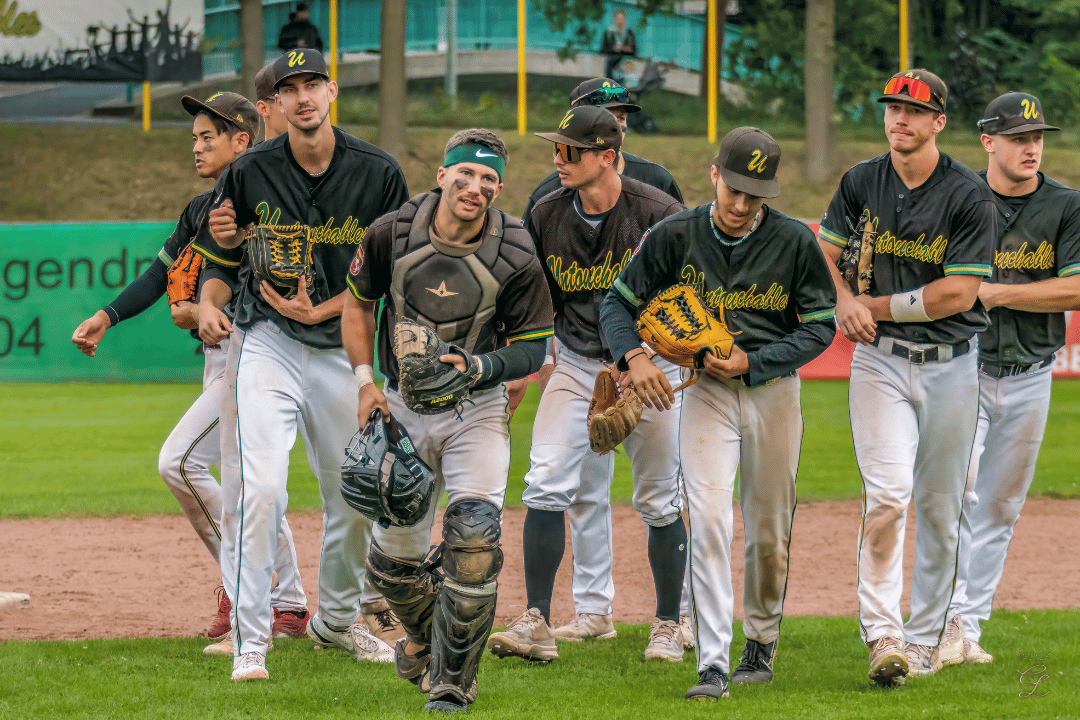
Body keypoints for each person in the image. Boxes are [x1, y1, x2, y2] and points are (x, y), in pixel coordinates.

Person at [601, 126, 837, 700]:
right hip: (705, 393)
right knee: (707, 518)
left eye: (754, 195)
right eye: (733, 189)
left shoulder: (793, 241)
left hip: (772, 391)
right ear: (714, 175)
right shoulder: (675, 234)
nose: (740, 204)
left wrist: (753, 361)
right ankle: (711, 663)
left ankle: (761, 639)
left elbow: (820, 327)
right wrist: (635, 357)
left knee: (769, 531)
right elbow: (617, 303)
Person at [70, 91, 311, 646]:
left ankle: (246, 588)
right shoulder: (201, 210)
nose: (197, 147)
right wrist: (107, 316)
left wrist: (207, 308)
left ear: (241, 141)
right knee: (245, 481)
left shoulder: (269, 202)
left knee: (180, 463)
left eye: (208, 137)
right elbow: (160, 275)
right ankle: (289, 602)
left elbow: (272, 278)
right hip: (218, 357)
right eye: (194, 138)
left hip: (256, 353)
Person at [202, 49, 410, 681]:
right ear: (277, 103)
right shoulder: (250, 171)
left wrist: (324, 310)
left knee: (354, 496)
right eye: (290, 88)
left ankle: (337, 621)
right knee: (260, 488)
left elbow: (390, 276)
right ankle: (251, 640)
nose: (303, 96)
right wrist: (210, 300)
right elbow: (221, 256)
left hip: (342, 351)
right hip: (268, 340)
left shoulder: (378, 172)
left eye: (312, 84)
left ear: (332, 91)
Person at [340, 128, 554, 713]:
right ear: (442, 176)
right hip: (401, 404)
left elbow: (533, 348)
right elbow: (357, 304)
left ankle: (452, 684)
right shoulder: (391, 232)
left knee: (475, 539)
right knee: (394, 566)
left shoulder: (516, 250)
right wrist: (364, 384)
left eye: (488, 179)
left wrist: (482, 365)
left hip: (475, 408)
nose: (475, 186)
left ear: (498, 189)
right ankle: (427, 639)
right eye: (465, 173)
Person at [487, 105, 687, 664]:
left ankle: (670, 624)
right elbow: (534, 298)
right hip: (577, 364)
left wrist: (642, 356)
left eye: (570, 150)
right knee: (546, 480)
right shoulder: (547, 212)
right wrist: (527, 365)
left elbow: (687, 297)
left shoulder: (659, 213)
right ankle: (536, 620)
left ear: (606, 156)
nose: (559, 158)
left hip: (653, 368)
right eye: (558, 148)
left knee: (659, 497)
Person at [816, 69, 996, 686]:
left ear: (939, 121)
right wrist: (843, 298)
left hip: (952, 364)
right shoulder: (860, 180)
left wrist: (872, 305)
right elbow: (824, 251)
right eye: (893, 107)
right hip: (880, 361)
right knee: (889, 497)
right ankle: (883, 634)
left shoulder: (968, 195)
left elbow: (957, 293)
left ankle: (925, 640)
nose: (901, 118)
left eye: (915, 110)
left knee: (943, 509)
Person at [940, 93, 1080, 666]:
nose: (1031, 147)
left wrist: (996, 293)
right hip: (964, 368)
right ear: (988, 141)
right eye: (1019, 138)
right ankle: (943, 621)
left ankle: (969, 630)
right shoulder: (959, 198)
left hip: (1032, 374)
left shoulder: (1065, 205)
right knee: (958, 493)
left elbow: (1076, 288)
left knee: (1000, 507)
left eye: (1037, 137)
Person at [600, 10, 636, 81]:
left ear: (625, 20)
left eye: (622, 19)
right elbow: (603, 50)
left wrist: (626, 49)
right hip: (611, 65)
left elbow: (634, 51)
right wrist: (614, 49)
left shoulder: (630, 34)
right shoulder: (609, 33)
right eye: (618, 19)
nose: (620, 21)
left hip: (625, 66)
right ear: (614, 19)